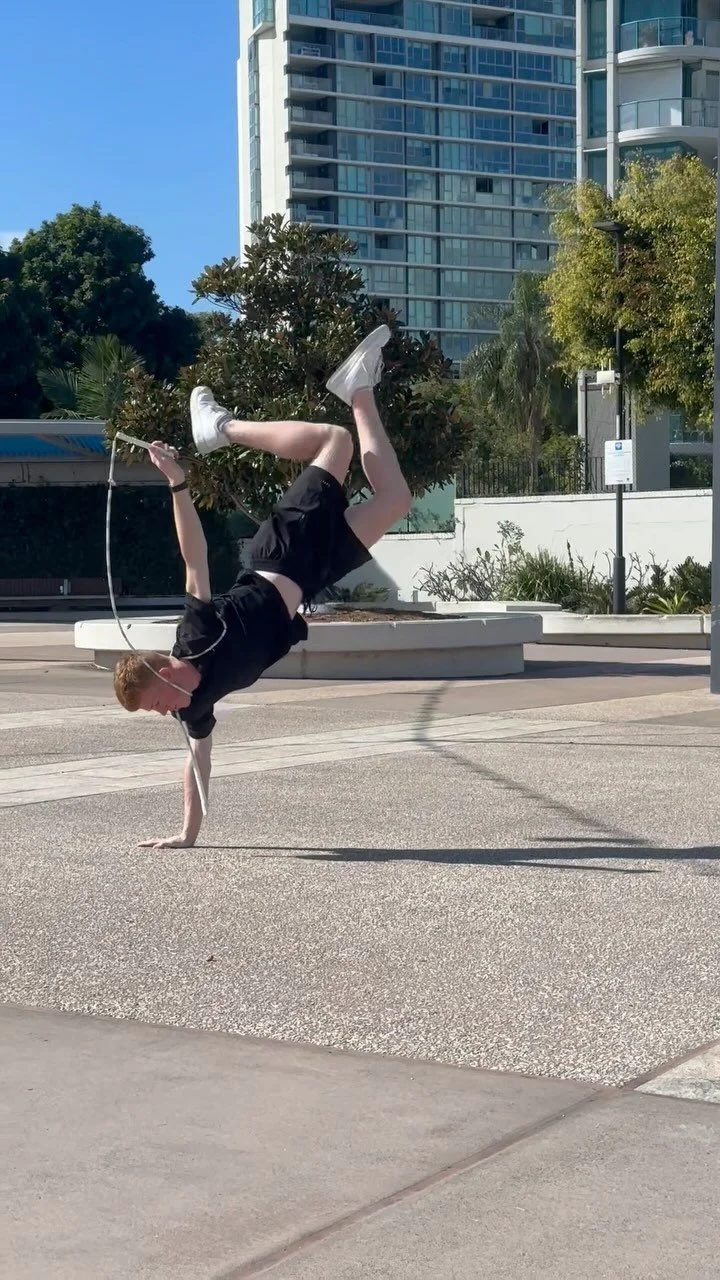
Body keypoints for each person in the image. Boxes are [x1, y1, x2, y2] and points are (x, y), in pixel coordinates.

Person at [113, 325, 411, 849]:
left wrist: (177, 484)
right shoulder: (193, 706)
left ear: (160, 670)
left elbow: (194, 559)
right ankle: (360, 385)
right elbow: (197, 763)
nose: (158, 712)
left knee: (333, 442)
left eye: (150, 702)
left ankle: (220, 426)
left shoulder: (194, 636)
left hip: (281, 554)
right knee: (394, 502)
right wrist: (187, 833)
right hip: (310, 575)